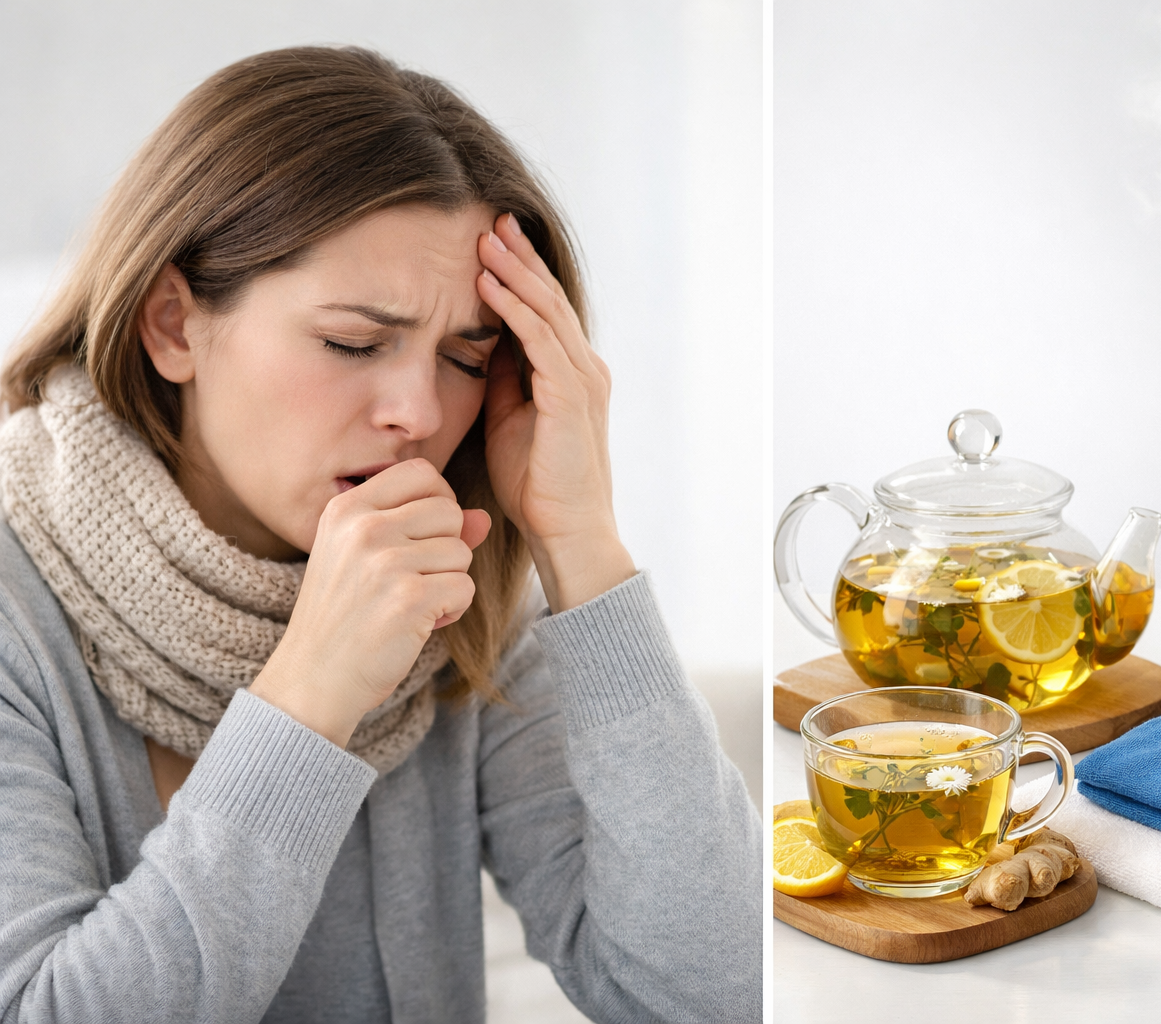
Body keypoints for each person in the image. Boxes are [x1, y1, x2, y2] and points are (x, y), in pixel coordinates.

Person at [0, 46, 760, 1023]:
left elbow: (716, 995)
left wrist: (586, 544)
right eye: (354, 343)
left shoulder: (462, 598)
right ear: (172, 324)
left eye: (463, 357)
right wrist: (312, 691)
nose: (416, 410)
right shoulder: (18, 610)